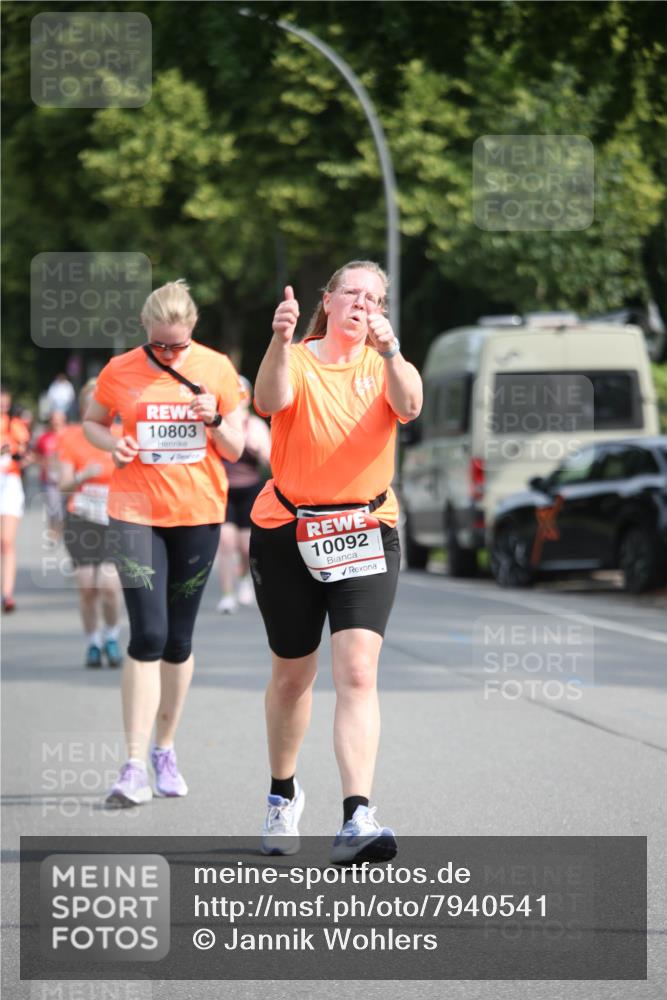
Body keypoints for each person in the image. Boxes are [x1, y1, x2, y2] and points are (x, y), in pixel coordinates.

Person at [249, 260, 422, 863]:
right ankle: (281, 793)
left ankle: (357, 815)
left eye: (374, 297)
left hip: (367, 528)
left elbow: (411, 406)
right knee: (293, 676)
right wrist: (278, 339)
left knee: (357, 672)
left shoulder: (385, 365)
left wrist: (393, 349)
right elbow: (269, 400)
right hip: (288, 528)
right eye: (352, 292)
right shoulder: (295, 357)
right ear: (328, 299)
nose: (362, 303)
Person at [83, 279, 244, 806]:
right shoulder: (120, 370)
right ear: (145, 332)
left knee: (178, 640)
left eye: (177, 345)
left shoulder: (217, 368)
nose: (168, 353)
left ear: (192, 330)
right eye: (159, 344)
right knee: (147, 634)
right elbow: (93, 422)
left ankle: (165, 749)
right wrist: (115, 443)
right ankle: (132, 764)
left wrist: (214, 419)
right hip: (135, 512)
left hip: (198, 513)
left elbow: (237, 446)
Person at [59, 379, 124, 669]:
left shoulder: (123, 435)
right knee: (87, 587)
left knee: (109, 586)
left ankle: (111, 635)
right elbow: (63, 485)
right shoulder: (71, 437)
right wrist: (82, 476)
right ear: (85, 407)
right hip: (82, 518)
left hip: (115, 517)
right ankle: (93, 642)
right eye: (93, 402)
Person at [217, 375, 271, 614]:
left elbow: (269, 460)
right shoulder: (219, 424)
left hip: (249, 489)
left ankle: (244, 580)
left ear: (247, 398)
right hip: (223, 489)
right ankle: (227, 595)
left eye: (241, 395)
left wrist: (259, 449)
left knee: (246, 546)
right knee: (226, 543)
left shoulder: (256, 426)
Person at [1, 387, 31, 612]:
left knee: (6, 542)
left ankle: (7, 594)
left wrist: (19, 458)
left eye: (5, 403)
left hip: (10, 485)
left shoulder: (16, 426)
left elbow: (24, 455)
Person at [35, 410, 67, 541]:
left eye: (59, 419)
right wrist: (43, 463)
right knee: (53, 507)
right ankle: (53, 532)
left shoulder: (69, 436)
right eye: (54, 419)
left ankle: (61, 532)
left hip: (66, 478)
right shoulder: (44, 438)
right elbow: (37, 454)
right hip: (49, 479)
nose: (56, 422)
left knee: (64, 508)